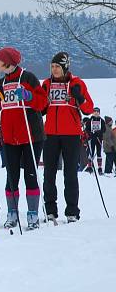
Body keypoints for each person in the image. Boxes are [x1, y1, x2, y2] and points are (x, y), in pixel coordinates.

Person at [0, 46, 48, 231]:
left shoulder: (27, 77)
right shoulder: (1, 81)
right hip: (10, 137)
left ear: (7, 63)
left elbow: (42, 102)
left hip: (31, 135)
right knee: (11, 176)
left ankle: (32, 214)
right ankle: (12, 212)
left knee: (30, 174)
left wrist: (28, 96)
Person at [41, 51, 94, 222]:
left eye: (58, 66)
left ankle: (72, 211)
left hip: (71, 134)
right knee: (49, 173)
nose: (54, 70)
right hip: (50, 134)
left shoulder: (76, 83)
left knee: (70, 174)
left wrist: (78, 96)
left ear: (65, 67)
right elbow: (41, 108)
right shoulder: (47, 84)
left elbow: (88, 109)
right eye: (52, 66)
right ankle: (50, 210)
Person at [85, 107, 107, 175]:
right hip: (92, 138)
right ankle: (89, 166)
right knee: (91, 152)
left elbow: (104, 129)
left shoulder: (101, 120)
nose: (96, 113)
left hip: (99, 138)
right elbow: (87, 129)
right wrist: (90, 133)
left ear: (99, 113)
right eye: (95, 111)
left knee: (99, 152)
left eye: (97, 112)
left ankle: (100, 167)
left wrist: (99, 132)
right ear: (93, 112)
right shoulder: (90, 120)